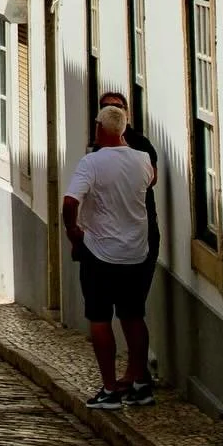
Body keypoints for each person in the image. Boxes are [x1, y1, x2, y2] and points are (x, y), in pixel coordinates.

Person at [64, 104, 157, 411]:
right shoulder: (143, 160)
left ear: (99, 128)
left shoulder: (91, 163)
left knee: (100, 319)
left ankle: (109, 389)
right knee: (133, 316)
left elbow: (69, 201)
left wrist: (74, 231)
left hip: (100, 251)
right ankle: (141, 384)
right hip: (136, 252)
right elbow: (150, 180)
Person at [98, 88, 159, 316]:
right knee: (104, 311)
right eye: (106, 108)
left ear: (127, 114)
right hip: (106, 238)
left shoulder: (142, 146)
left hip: (141, 236)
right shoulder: (98, 148)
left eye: (118, 108)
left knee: (132, 310)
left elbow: (151, 180)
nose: (112, 111)